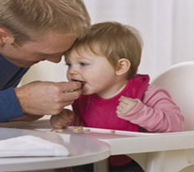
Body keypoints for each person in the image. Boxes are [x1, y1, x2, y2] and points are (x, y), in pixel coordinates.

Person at [50, 21, 184, 172]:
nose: (72, 72)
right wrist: (71, 120)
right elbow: (89, 128)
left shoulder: (147, 94)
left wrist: (140, 113)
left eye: (83, 64)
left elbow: (175, 124)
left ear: (120, 67)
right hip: (95, 160)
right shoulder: (85, 96)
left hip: (136, 162)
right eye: (69, 65)